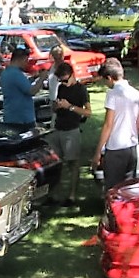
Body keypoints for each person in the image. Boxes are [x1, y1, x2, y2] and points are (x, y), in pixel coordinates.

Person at [94, 57, 139, 192]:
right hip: (131, 146)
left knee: (113, 189)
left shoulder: (113, 94)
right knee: (129, 187)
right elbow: (138, 121)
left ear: (109, 78)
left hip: (116, 148)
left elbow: (108, 124)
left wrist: (98, 151)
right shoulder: (135, 92)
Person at [50, 61, 90, 207]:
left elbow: (88, 112)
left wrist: (70, 107)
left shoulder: (81, 89)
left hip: (72, 129)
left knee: (73, 163)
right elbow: (56, 108)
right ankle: (55, 194)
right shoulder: (61, 88)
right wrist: (57, 106)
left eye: (66, 80)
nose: (64, 83)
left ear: (72, 75)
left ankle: (72, 195)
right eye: (61, 81)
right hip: (59, 128)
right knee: (55, 163)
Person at [0, 46, 40, 127]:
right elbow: (31, 91)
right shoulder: (16, 74)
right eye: (25, 61)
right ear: (20, 59)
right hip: (22, 119)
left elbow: (20, 86)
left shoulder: (6, 72)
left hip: (10, 116)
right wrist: (42, 78)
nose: (26, 64)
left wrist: (33, 78)